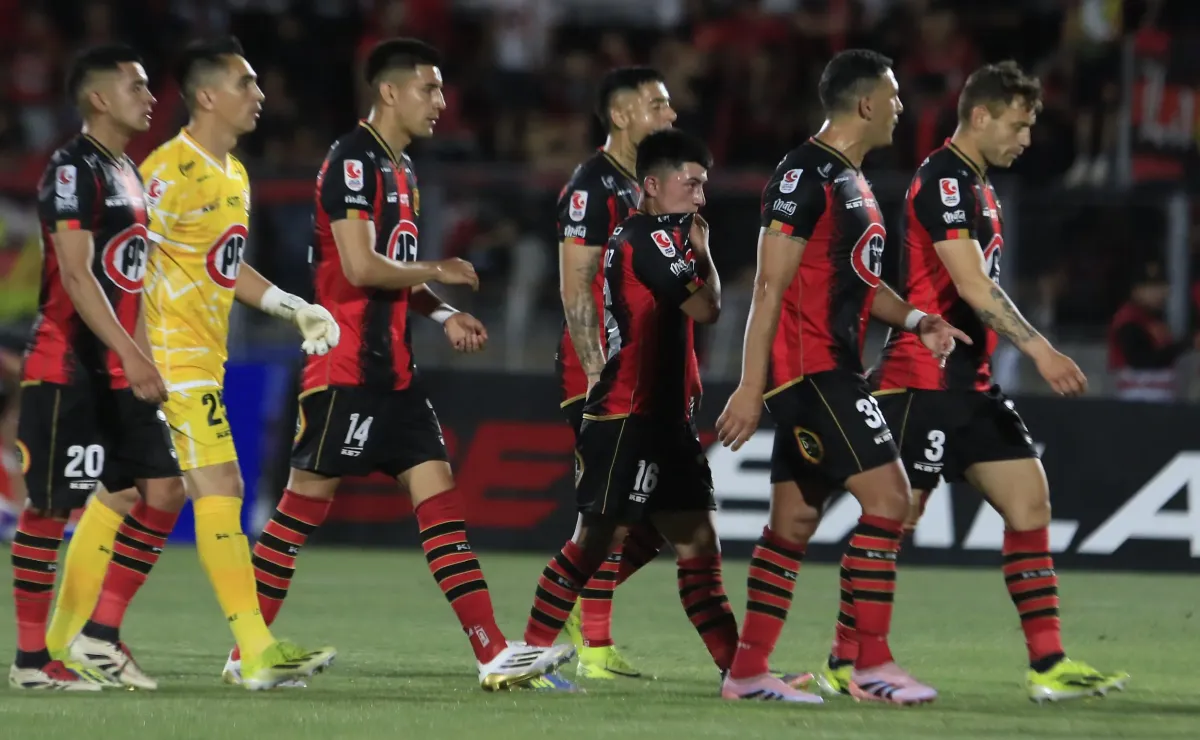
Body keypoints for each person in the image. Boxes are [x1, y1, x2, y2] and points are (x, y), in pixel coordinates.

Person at [245, 38, 573, 691]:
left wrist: (443, 311)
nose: (442, 103)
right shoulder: (353, 162)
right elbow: (362, 267)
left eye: (443, 90)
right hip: (344, 367)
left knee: (441, 499)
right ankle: (247, 648)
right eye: (430, 89)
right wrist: (439, 269)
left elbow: (391, 274)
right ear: (389, 92)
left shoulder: (404, 171)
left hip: (393, 373)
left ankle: (491, 651)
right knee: (302, 505)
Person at [815, 61, 1128, 702]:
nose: (1027, 139)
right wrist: (1040, 349)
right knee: (895, 517)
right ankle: (848, 661)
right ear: (979, 116)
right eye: (1018, 124)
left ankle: (1048, 665)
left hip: (970, 384)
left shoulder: (980, 185)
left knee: (1030, 501)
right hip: (920, 381)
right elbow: (971, 286)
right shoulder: (944, 180)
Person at [44, 37, 340, 691]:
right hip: (167, 357)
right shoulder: (165, 173)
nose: (260, 95)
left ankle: (75, 640)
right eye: (247, 83)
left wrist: (291, 306)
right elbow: (123, 267)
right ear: (208, 95)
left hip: (202, 354)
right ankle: (255, 649)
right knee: (221, 486)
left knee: (141, 491)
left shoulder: (232, 172)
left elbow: (223, 266)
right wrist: (133, 359)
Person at [715, 49, 966, 705]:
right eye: (893, 95)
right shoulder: (804, 173)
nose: (901, 107)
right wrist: (748, 384)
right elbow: (770, 283)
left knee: (791, 526)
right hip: (813, 372)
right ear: (864, 104)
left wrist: (917, 319)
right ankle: (870, 666)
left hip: (828, 368)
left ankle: (747, 673)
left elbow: (854, 281)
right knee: (890, 502)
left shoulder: (853, 181)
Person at [524, 128, 807, 698]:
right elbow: (708, 307)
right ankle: (525, 658)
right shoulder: (645, 238)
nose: (700, 197)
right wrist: (702, 249)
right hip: (629, 417)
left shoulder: (661, 237)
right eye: (690, 183)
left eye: (704, 186)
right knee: (592, 542)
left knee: (698, 543)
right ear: (651, 186)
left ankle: (741, 674)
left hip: (665, 421)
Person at [9, 44, 183, 691]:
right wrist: (131, 354)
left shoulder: (128, 173)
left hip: (117, 370)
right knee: (51, 510)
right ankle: (30, 661)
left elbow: (126, 280)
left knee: (164, 491)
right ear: (99, 98)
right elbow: (80, 279)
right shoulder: (70, 169)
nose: (150, 97)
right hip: (67, 368)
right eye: (136, 86)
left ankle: (100, 635)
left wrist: (142, 356)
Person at [553, 66, 676, 680]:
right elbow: (576, 289)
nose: (671, 116)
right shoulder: (591, 187)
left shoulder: (651, 188)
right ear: (622, 115)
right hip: (598, 375)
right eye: (658, 105)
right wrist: (601, 376)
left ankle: (573, 609)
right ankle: (590, 645)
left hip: (648, 376)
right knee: (611, 514)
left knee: (659, 516)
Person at [1108, 261, 1195, 402]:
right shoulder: (1128, 319)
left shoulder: (1155, 319)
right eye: (1150, 288)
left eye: (1161, 286)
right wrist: (1184, 345)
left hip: (1162, 399)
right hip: (1135, 399)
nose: (1158, 293)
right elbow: (1142, 360)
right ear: (1136, 291)